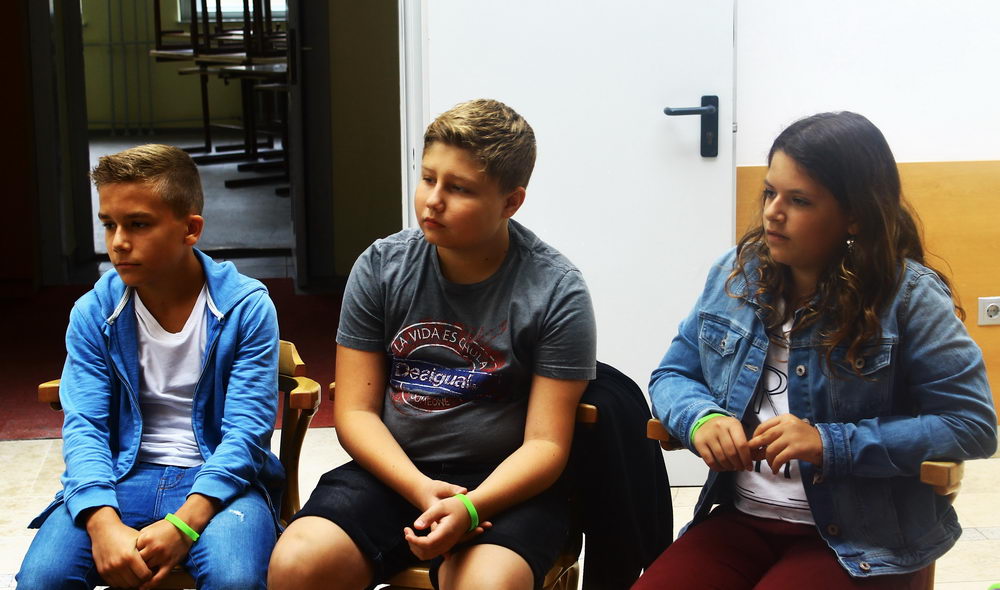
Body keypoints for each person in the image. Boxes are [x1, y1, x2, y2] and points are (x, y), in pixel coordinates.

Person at [635, 112, 998, 589]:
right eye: (770, 192)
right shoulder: (736, 273)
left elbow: (971, 425)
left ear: (855, 214)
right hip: (740, 519)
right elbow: (672, 375)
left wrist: (829, 443)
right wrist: (701, 418)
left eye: (799, 200)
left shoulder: (908, 296)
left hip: (862, 539)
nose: (772, 212)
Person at [268, 98, 597, 590]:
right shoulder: (381, 267)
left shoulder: (556, 290)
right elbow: (355, 412)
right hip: (394, 472)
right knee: (297, 564)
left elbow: (546, 444)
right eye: (428, 178)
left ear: (511, 202)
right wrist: (421, 489)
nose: (432, 201)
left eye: (458, 188)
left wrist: (470, 507)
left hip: (504, 486)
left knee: (487, 585)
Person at [16, 145, 283, 590]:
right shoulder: (94, 312)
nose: (119, 242)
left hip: (219, 481)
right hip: (120, 474)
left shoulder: (246, 307)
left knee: (235, 578)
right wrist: (102, 524)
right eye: (109, 224)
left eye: (138, 224)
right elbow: (85, 427)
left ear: (190, 229)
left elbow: (246, 433)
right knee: (43, 578)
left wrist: (185, 524)